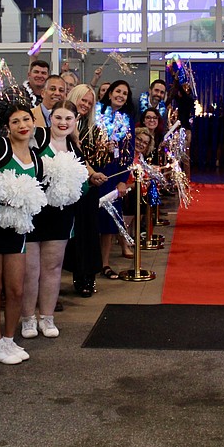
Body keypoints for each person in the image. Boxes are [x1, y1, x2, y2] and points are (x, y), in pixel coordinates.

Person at [21, 101, 88, 339]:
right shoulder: (37, 140)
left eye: (68, 118)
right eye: (58, 117)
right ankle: (28, 318)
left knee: (53, 267)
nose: (63, 123)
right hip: (33, 214)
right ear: (50, 118)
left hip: (61, 216)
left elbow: (82, 184)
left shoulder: (75, 149)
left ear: (75, 121)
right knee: (30, 270)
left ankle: (47, 317)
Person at [0, 106, 45, 365]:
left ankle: (9, 340)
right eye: (15, 121)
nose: (22, 125)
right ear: (7, 127)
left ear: (33, 122)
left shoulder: (36, 158)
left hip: (17, 230)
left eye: (26, 120)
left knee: (16, 289)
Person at [65, 84, 109, 296]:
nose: (86, 105)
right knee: (72, 235)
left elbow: (99, 159)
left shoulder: (95, 130)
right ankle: (76, 274)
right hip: (67, 187)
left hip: (89, 187)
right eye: (83, 100)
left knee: (88, 233)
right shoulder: (63, 124)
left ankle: (88, 277)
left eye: (90, 103)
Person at [97, 80, 135, 277]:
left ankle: (105, 263)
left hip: (114, 174)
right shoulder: (96, 114)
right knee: (92, 219)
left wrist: (123, 180)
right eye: (118, 91)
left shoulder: (127, 121)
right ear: (110, 93)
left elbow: (129, 154)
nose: (121, 95)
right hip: (95, 171)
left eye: (125, 93)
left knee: (109, 220)